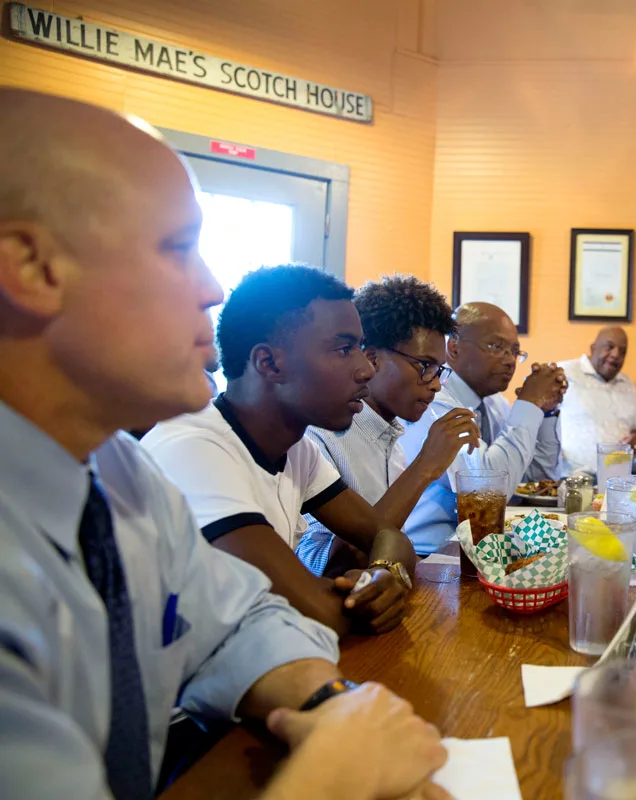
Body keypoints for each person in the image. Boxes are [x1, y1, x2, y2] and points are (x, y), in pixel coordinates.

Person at [0, 89, 446, 800]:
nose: (210, 289)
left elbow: (237, 622)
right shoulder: (177, 452)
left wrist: (329, 709)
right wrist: (335, 778)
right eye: (177, 250)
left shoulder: (115, 471)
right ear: (32, 266)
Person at [142, 265, 416, 638]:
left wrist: (386, 572)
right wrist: (370, 597)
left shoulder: (297, 448)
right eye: (343, 349)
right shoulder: (194, 448)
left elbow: (387, 534)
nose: (365, 369)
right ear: (269, 363)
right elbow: (312, 612)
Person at [299, 274, 481, 576]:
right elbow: (332, 567)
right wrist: (425, 466)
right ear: (371, 359)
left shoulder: (390, 435)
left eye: (439, 370)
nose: (435, 385)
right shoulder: (319, 436)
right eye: (425, 367)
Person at [398, 302, 567, 553]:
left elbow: (537, 476)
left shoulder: (494, 404)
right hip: (429, 555)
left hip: (479, 547)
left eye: (515, 351)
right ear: (453, 348)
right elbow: (486, 491)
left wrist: (546, 410)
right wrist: (530, 403)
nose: (510, 360)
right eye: (497, 347)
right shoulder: (434, 402)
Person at [558, 326, 636, 474]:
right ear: (593, 348)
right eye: (609, 347)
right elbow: (534, 413)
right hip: (570, 478)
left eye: (622, 351)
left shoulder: (626, 384)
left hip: (617, 479)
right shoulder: (564, 373)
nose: (616, 354)